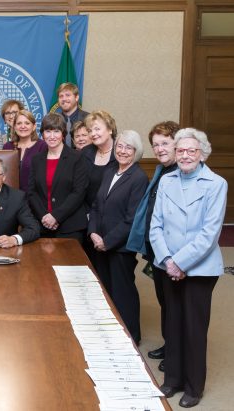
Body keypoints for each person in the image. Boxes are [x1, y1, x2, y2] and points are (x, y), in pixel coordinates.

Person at [150, 128, 227, 408]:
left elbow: (209, 233)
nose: (185, 155)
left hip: (200, 269)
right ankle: (172, 380)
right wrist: (168, 260)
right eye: (180, 150)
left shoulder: (216, 184)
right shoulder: (167, 180)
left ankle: (194, 386)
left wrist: (180, 262)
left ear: (202, 154)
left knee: (194, 328)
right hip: (167, 264)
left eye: (191, 150)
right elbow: (155, 225)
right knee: (173, 324)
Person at [126, 121, 180, 372]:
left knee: (176, 305)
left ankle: (176, 354)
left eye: (164, 143)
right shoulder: (162, 170)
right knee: (165, 302)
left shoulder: (182, 171)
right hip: (156, 250)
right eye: (155, 144)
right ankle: (170, 346)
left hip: (174, 254)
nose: (159, 149)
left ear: (178, 144)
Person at [87, 130, 148, 345]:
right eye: (120, 146)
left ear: (136, 151)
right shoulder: (111, 169)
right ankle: (108, 334)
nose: (122, 151)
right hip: (99, 242)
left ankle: (131, 337)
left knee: (123, 293)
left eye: (128, 148)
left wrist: (107, 241)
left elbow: (132, 219)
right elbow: (96, 206)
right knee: (105, 290)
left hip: (120, 248)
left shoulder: (139, 178)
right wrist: (93, 232)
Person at [28, 113, 88, 243]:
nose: (52, 136)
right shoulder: (36, 160)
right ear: (42, 134)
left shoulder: (77, 158)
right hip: (42, 225)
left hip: (70, 227)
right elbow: (31, 192)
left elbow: (78, 193)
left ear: (63, 134)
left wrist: (55, 216)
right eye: (48, 131)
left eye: (56, 131)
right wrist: (44, 216)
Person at [81, 110, 118, 211]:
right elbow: (79, 187)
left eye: (97, 129)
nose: (93, 134)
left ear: (110, 129)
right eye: (90, 131)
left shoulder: (121, 153)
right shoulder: (85, 153)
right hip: (87, 213)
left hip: (113, 214)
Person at [3, 109, 46, 192]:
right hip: (11, 198)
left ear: (34, 127)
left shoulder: (42, 146)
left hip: (35, 198)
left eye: (27, 123)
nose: (23, 126)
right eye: (19, 123)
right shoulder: (7, 147)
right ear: (14, 127)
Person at [56, 82, 89, 147]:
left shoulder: (88, 118)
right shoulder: (55, 120)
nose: (64, 99)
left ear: (76, 98)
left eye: (67, 95)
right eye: (61, 96)